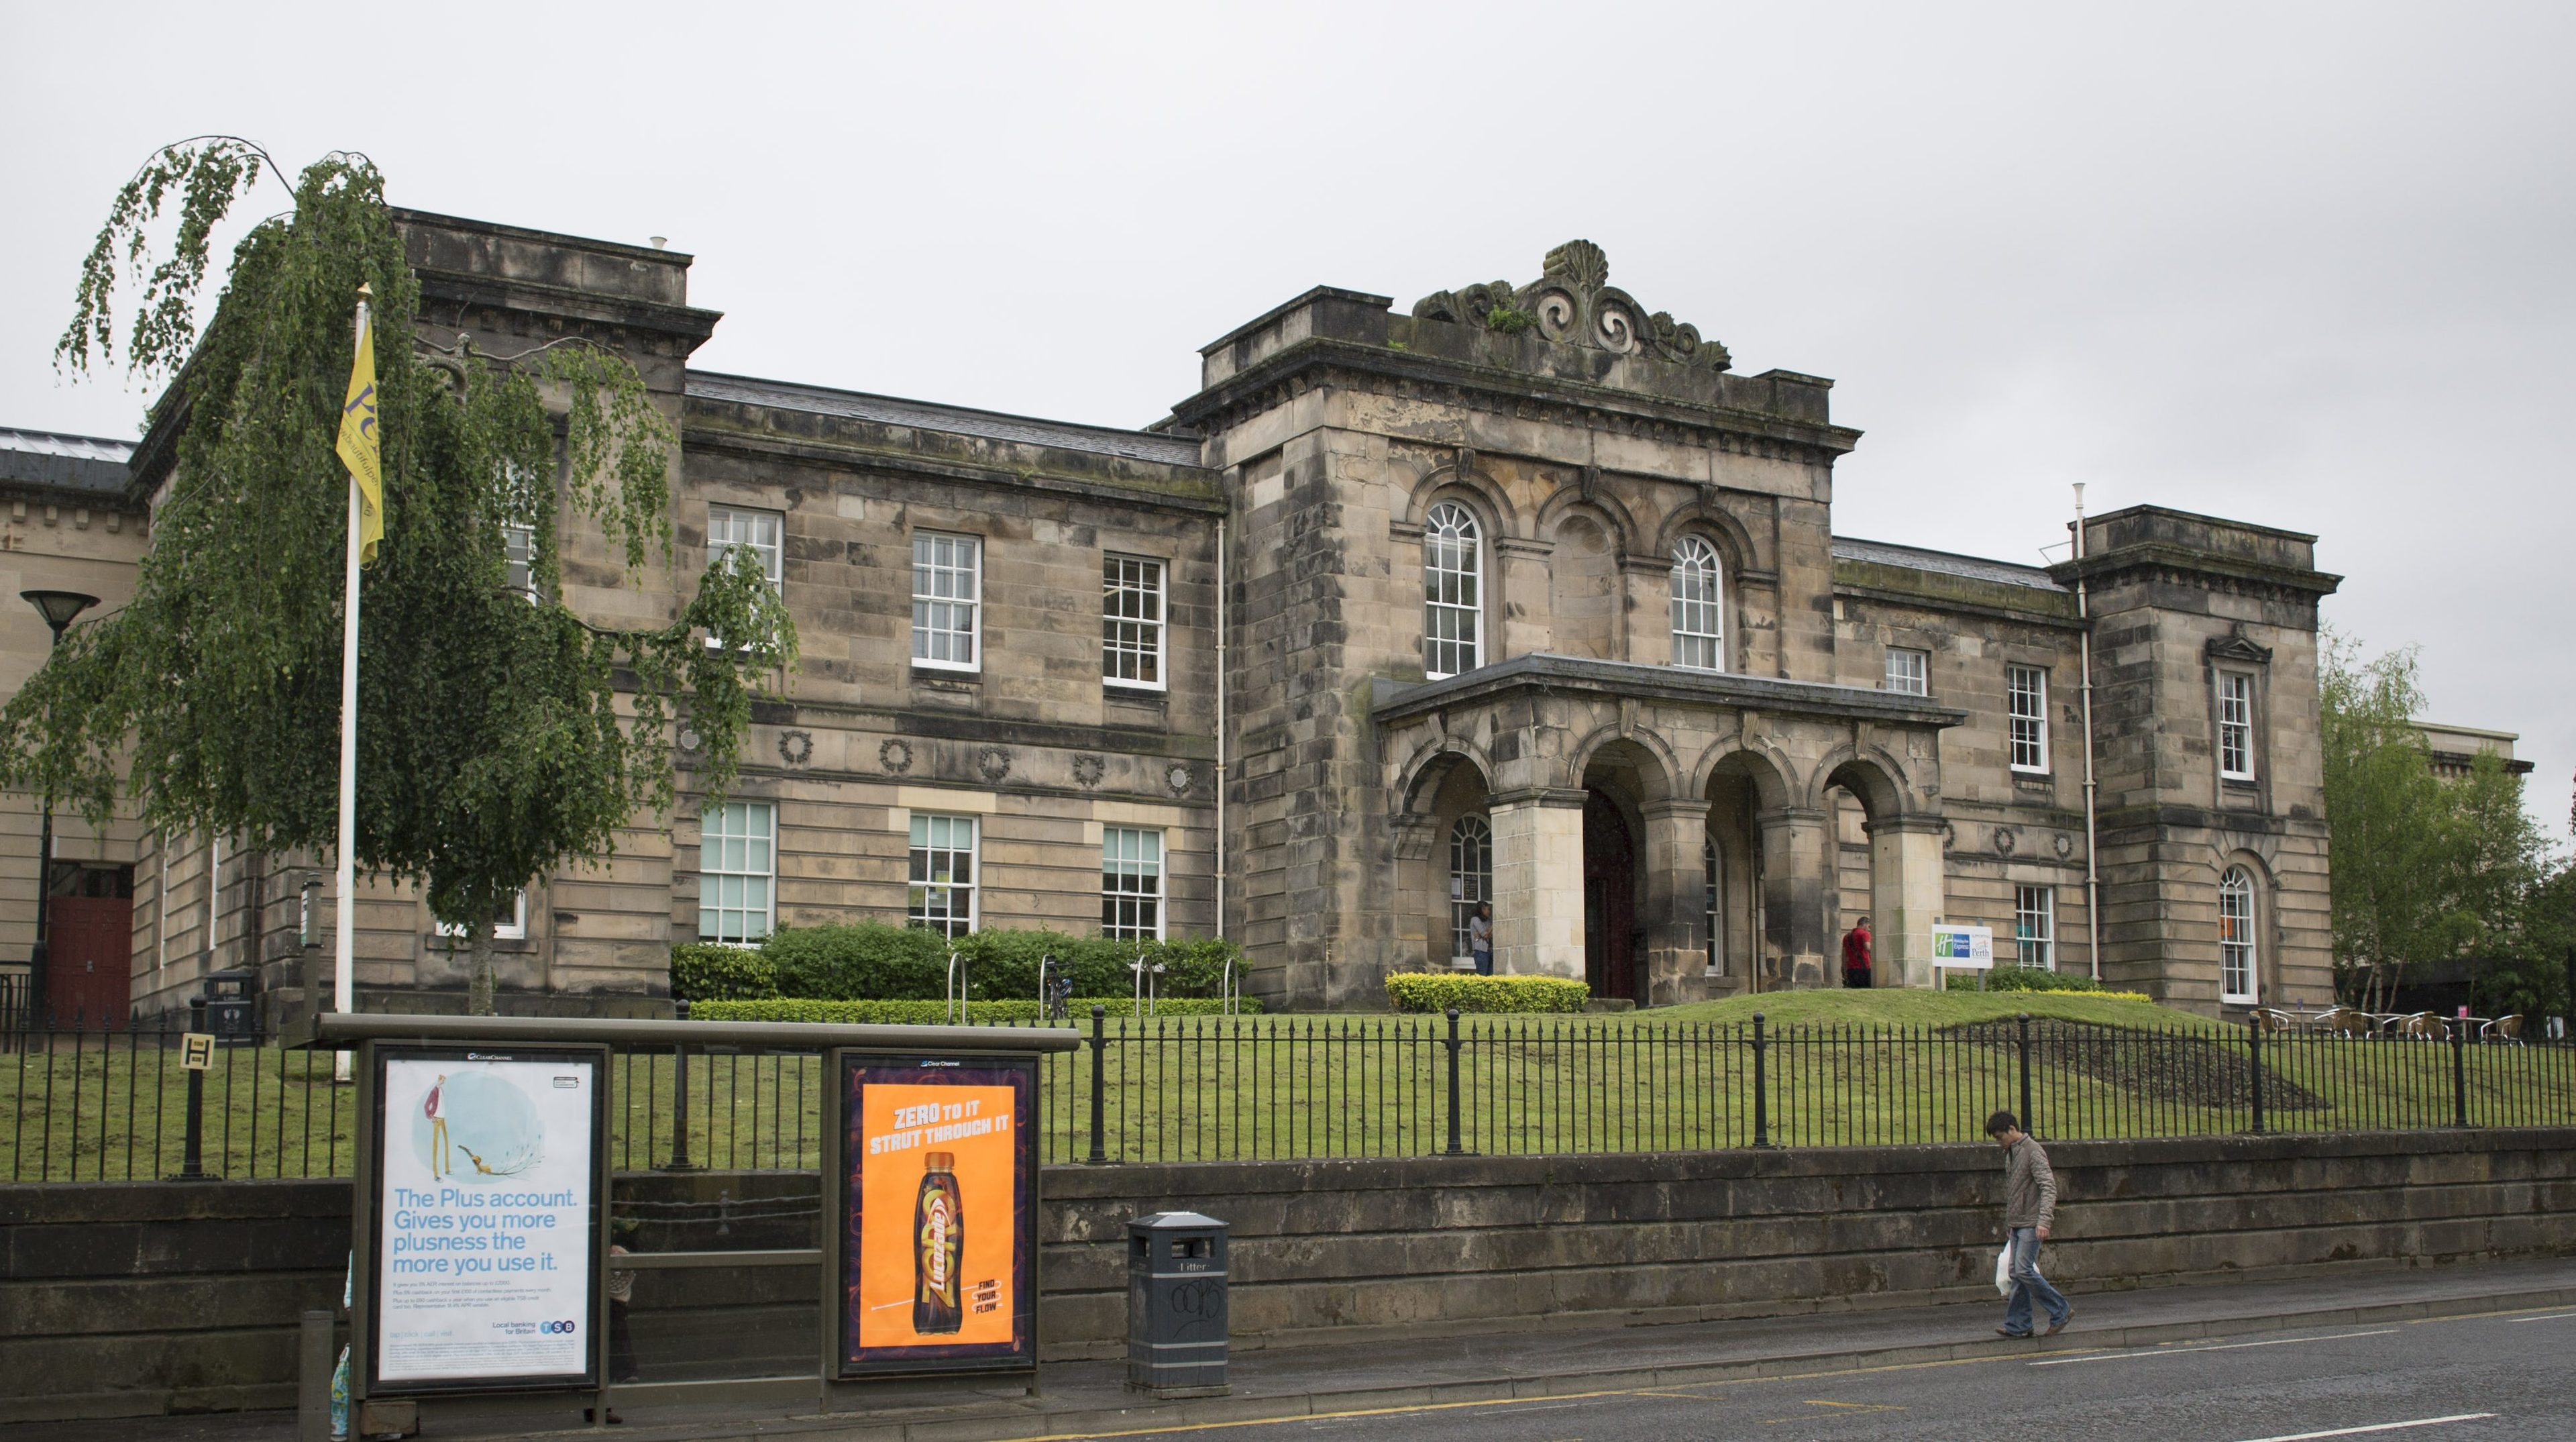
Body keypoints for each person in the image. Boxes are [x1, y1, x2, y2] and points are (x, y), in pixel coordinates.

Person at [1986, 1110, 2072, 1338]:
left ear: (2012, 1130)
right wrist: (2011, 1223)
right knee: (2017, 1272)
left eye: (1999, 1137)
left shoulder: (2033, 1151)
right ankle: (2019, 1325)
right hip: (2018, 1223)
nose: (1999, 1142)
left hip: (2032, 1223)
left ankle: (2060, 1310)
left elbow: (2048, 1187)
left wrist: (2044, 1221)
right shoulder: (2012, 1153)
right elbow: (2016, 1192)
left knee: (2023, 1269)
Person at [1841, 917, 1872, 989]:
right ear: (1865, 924)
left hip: (1851, 969)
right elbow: (1867, 947)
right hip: (1864, 968)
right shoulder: (1865, 934)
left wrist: (1844, 969)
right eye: (1869, 926)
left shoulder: (1847, 937)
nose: (1869, 929)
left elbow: (1844, 955)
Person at [1469, 903, 1494, 976]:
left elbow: (1490, 935)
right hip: (1481, 952)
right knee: (1482, 976)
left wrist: (1485, 933)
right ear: (1482, 909)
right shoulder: (1475, 919)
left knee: (1490, 976)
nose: (1489, 912)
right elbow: (1485, 935)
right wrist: (1493, 926)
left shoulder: (1487, 921)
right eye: (1487, 909)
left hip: (1490, 951)